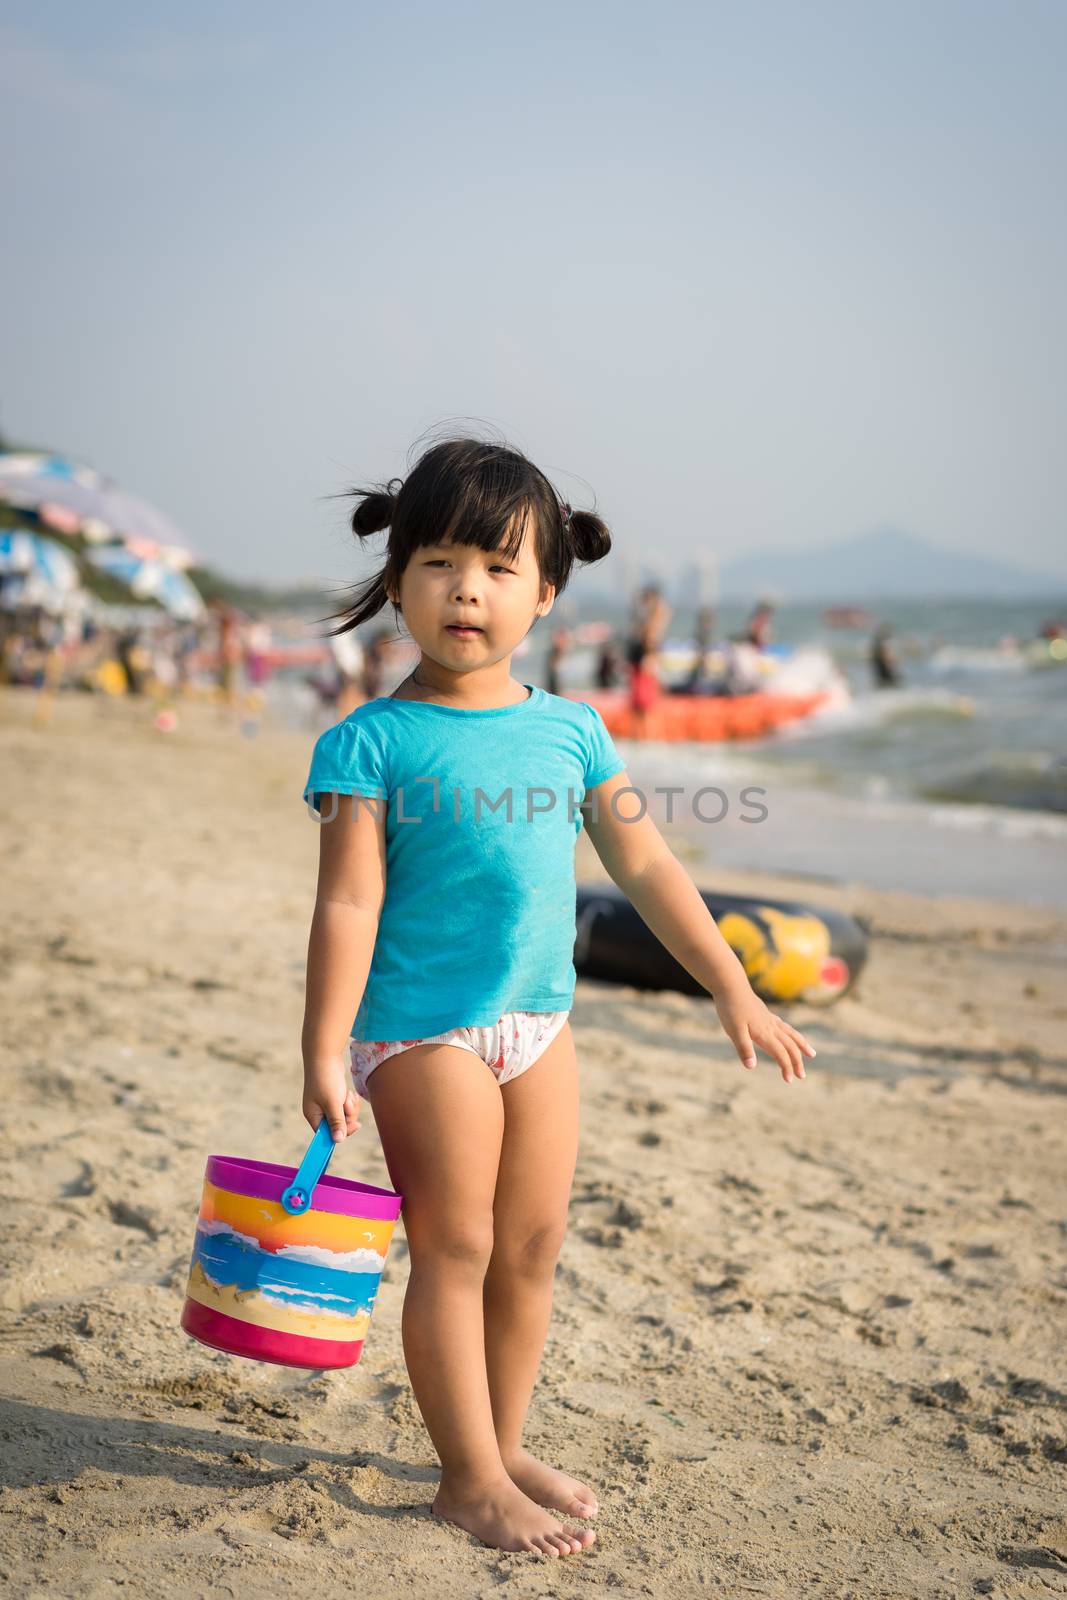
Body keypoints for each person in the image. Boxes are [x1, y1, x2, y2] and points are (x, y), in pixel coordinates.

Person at [299, 435, 816, 1559]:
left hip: (538, 1024)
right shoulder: (369, 743)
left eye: (494, 566)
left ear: (545, 591)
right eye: (436, 562)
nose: (465, 588)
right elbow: (344, 908)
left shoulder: (570, 730)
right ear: (398, 585)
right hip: (418, 1029)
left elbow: (648, 870)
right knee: (454, 1246)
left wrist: (729, 984)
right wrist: (323, 1048)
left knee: (532, 1243)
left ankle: (503, 1439)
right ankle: (468, 1479)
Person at [870, 622, 900, 688]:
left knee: (883, 685)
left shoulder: (876, 644)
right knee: (891, 685)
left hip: (879, 670)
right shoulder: (884, 644)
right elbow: (887, 657)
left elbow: (872, 659)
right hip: (885, 670)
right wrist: (891, 665)